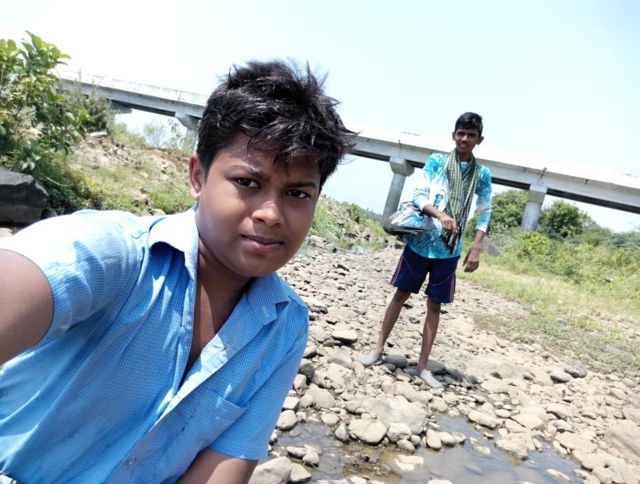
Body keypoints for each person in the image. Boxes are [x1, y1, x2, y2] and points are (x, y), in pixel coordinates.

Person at [0, 60, 353, 483]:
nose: (271, 214)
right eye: (247, 182)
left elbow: (223, 468)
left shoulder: (283, 326)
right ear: (198, 177)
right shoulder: (110, 254)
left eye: (297, 193)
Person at [359, 112, 492, 389]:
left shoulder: (481, 175)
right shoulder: (437, 162)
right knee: (400, 295)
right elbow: (419, 197)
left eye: (470, 135)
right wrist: (441, 215)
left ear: (479, 140)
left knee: (434, 306)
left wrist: (476, 246)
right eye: (460, 133)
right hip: (421, 242)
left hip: (449, 249)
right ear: (453, 135)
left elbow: (484, 211)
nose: (464, 139)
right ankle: (378, 350)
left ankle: (422, 367)